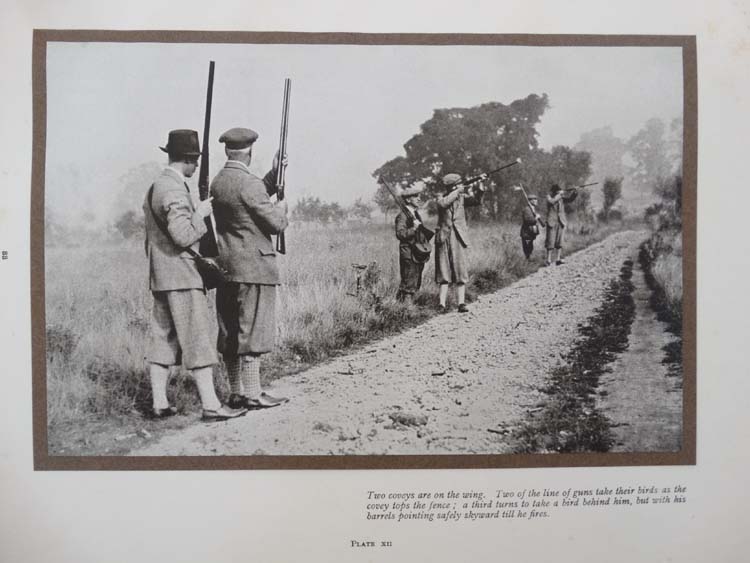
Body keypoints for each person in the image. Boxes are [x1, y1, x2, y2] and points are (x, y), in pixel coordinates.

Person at [143, 129, 247, 422]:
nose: (197, 166)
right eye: (196, 160)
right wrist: (199, 215)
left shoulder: (155, 187)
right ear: (188, 160)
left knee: (162, 340)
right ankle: (211, 406)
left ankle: (159, 403)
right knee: (199, 339)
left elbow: (150, 239)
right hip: (183, 277)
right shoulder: (175, 190)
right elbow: (182, 235)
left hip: (162, 277)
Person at [210, 127, 290, 409]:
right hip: (255, 267)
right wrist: (281, 207)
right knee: (254, 332)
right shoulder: (249, 184)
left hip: (227, 267)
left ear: (227, 151)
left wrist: (273, 172)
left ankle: (236, 392)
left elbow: (248, 199)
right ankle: (254, 393)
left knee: (231, 332)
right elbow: (274, 222)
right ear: (250, 152)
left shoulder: (218, 182)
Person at [434, 173, 484, 313]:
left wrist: (480, 186)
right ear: (451, 186)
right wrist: (458, 191)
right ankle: (441, 304)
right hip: (444, 237)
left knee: (460, 270)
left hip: (458, 236)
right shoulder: (441, 196)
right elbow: (443, 203)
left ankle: (461, 303)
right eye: (457, 184)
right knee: (443, 272)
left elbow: (476, 201)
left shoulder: (461, 197)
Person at [395, 185, 430, 302]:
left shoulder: (415, 214)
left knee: (416, 280)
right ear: (408, 200)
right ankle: (406, 309)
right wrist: (413, 229)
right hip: (408, 253)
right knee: (408, 282)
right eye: (415, 196)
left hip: (417, 252)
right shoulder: (402, 215)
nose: (419, 198)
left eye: (418, 196)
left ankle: (404, 306)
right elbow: (400, 234)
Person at [545, 184, 578, 266]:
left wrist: (575, 192)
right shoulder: (549, 197)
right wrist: (560, 194)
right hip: (552, 221)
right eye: (559, 191)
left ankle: (558, 259)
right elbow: (551, 201)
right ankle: (548, 260)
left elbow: (570, 199)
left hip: (561, 221)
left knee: (559, 241)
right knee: (550, 241)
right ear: (555, 191)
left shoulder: (561, 198)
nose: (561, 192)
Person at [520, 194, 542, 260]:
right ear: (530, 201)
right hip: (526, 232)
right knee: (527, 247)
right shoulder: (527, 209)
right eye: (534, 199)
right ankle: (527, 261)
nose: (536, 201)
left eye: (536, 199)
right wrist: (536, 218)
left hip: (530, 231)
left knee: (530, 246)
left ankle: (529, 260)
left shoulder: (532, 209)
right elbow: (528, 220)